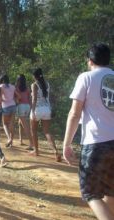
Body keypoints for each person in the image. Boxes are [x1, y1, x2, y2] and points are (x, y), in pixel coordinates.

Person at [63, 43, 114, 220]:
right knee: (110, 192)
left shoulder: (86, 77)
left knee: (91, 194)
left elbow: (75, 113)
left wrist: (67, 143)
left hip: (96, 144)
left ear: (90, 61)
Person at [30, 68, 61, 161]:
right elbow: (48, 97)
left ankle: (36, 150)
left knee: (34, 131)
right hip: (47, 109)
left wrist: (32, 110)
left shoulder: (34, 85)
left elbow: (34, 99)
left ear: (34, 76)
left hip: (37, 109)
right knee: (47, 132)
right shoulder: (47, 84)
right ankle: (55, 151)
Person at [15, 74, 34, 150]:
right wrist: (31, 107)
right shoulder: (27, 88)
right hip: (27, 106)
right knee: (20, 122)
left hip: (21, 106)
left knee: (25, 126)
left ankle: (31, 143)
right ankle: (21, 140)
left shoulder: (16, 88)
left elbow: (17, 99)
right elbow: (29, 98)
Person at [0, 74, 18, 148]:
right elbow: (18, 96)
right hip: (13, 105)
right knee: (11, 123)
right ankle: (11, 141)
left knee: (4, 124)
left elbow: (0, 98)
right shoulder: (13, 86)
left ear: (2, 80)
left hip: (5, 106)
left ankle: (9, 139)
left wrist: (3, 101)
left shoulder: (1, 86)